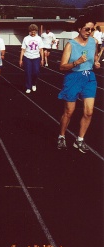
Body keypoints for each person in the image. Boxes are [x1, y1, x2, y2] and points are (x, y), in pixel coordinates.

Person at [57, 16, 100, 153]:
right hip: (73, 78)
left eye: (92, 29)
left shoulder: (93, 42)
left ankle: (79, 140)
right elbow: (62, 67)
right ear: (79, 29)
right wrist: (76, 62)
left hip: (89, 78)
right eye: (87, 29)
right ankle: (62, 136)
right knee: (69, 112)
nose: (89, 32)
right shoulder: (71, 44)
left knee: (89, 112)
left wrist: (96, 62)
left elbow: (94, 57)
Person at [19, 24, 44, 93]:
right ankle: (28, 87)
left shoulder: (39, 38)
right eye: (32, 32)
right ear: (29, 31)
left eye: (34, 32)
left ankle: (34, 83)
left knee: (36, 72)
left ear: (36, 31)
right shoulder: (26, 38)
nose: (33, 33)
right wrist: (21, 59)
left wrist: (42, 59)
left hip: (36, 57)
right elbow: (23, 50)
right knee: (28, 72)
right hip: (27, 57)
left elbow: (41, 49)